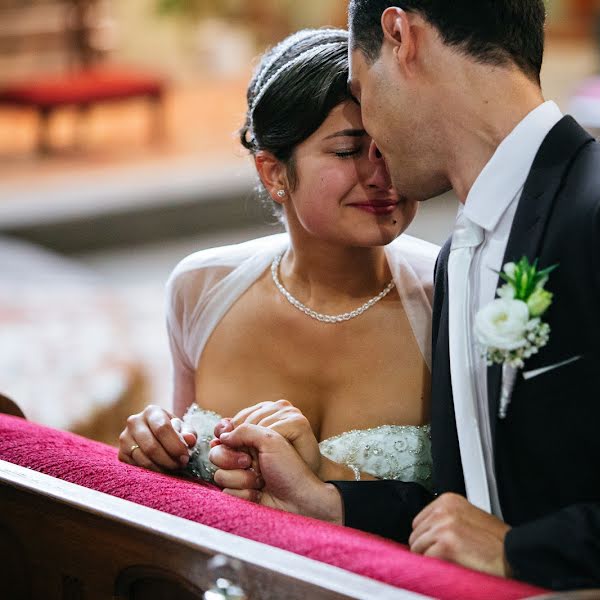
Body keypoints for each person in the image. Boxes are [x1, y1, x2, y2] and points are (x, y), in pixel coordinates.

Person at [212, 3, 600, 598]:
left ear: (401, 37)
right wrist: (329, 503)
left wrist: (522, 551)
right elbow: (473, 508)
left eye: (359, 83)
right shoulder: (459, 253)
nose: (368, 122)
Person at [117, 28, 438, 499]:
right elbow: (185, 487)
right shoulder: (201, 288)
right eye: (348, 151)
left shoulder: (447, 296)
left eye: (392, 144)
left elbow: (483, 503)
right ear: (273, 172)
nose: (382, 175)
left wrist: (318, 476)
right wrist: (157, 446)